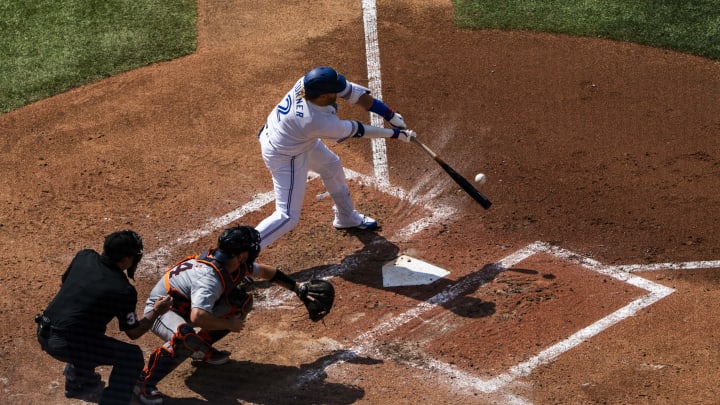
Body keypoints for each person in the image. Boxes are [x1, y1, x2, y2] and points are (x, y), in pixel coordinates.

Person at [134, 225, 312, 405]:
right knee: (186, 336)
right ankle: (143, 381)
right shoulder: (209, 278)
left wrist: (297, 288)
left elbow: (267, 272)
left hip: (185, 307)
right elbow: (198, 317)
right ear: (241, 255)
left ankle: (201, 349)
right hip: (161, 312)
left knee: (239, 303)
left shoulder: (232, 263)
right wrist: (229, 325)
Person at [255, 65, 417, 248]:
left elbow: (354, 94)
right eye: (334, 91)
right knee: (287, 216)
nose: (339, 91)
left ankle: (346, 218)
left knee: (331, 166)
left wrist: (390, 114)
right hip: (285, 155)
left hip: (290, 136)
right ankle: (237, 254)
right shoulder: (316, 121)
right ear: (324, 96)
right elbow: (359, 130)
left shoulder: (309, 83)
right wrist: (395, 134)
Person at [35, 230, 173, 405]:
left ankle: (78, 381)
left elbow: (63, 284)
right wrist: (157, 311)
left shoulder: (85, 256)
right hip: (65, 345)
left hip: (43, 330)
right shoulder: (122, 290)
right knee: (131, 357)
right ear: (124, 260)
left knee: (90, 331)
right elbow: (134, 332)